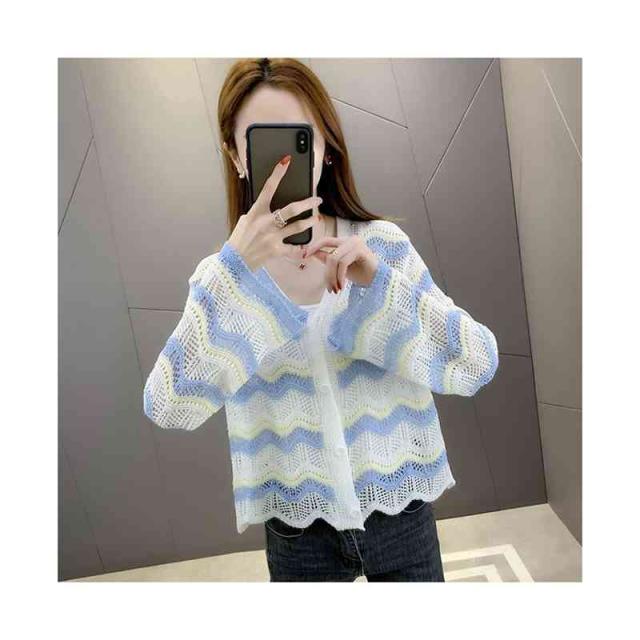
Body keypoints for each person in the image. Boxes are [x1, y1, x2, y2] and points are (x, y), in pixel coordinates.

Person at [143, 58, 500, 582]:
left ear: (326, 146)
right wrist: (234, 273)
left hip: (401, 517)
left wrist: (380, 284)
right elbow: (167, 406)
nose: (283, 163)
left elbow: (476, 363)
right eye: (264, 143)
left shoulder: (381, 248)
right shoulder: (223, 283)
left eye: (299, 139)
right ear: (236, 156)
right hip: (298, 539)